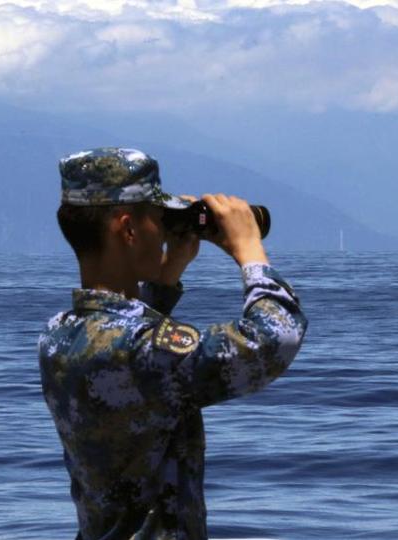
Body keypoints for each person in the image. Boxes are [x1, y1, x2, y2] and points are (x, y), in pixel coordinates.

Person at [38, 147, 308, 540]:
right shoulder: (141, 350)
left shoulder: (58, 334)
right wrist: (250, 251)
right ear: (128, 229)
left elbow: (125, 348)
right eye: (158, 220)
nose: (164, 233)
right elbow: (273, 339)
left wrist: (167, 276)